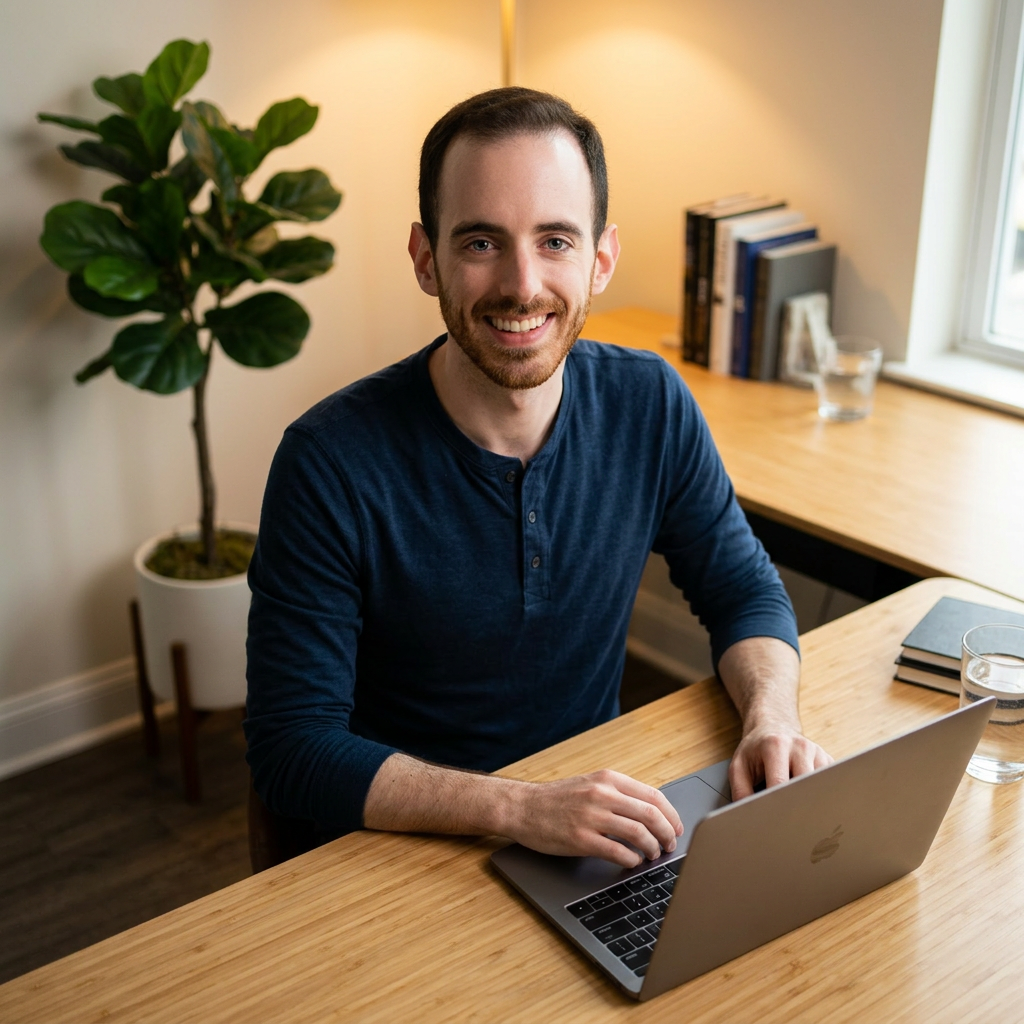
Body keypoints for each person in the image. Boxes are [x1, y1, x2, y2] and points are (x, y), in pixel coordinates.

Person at [244, 87, 831, 869]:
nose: (522, 284)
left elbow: (742, 592)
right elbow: (292, 747)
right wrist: (519, 807)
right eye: (481, 242)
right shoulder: (327, 462)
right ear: (426, 259)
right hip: (399, 853)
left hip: (587, 832)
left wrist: (772, 719)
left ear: (601, 259)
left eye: (555, 240)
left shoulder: (650, 402)